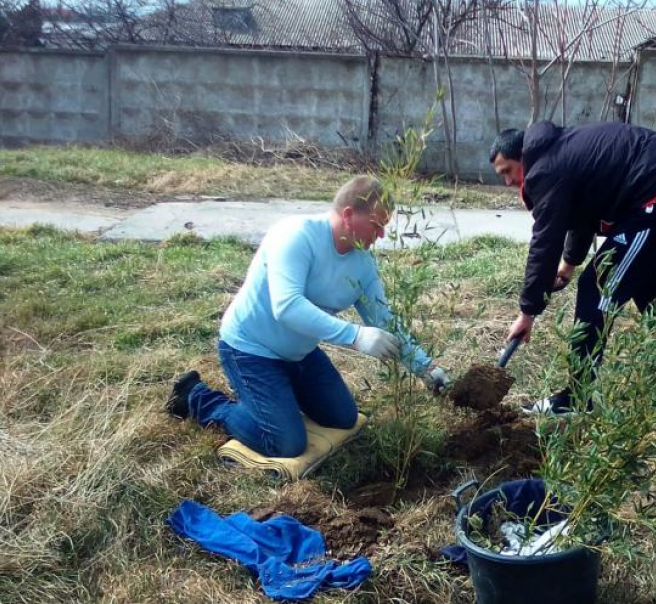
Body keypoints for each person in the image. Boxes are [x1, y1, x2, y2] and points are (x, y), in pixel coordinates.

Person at [166, 176, 450, 456]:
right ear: (349, 215)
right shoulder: (296, 235)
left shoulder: (362, 263)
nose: (381, 235)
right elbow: (287, 305)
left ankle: (279, 396)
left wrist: (425, 368)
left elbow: (383, 320)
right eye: (376, 225)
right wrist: (355, 336)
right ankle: (199, 398)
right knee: (286, 443)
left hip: (299, 355)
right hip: (250, 350)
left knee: (343, 418)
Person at [490, 121, 656, 415]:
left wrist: (527, 312)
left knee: (597, 288)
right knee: (649, 292)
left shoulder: (544, 170)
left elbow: (546, 240)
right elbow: (583, 215)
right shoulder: (559, 154)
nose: (508, 182)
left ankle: (576, 399)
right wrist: (568, 266)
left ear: (522, 156)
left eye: (507, 171)